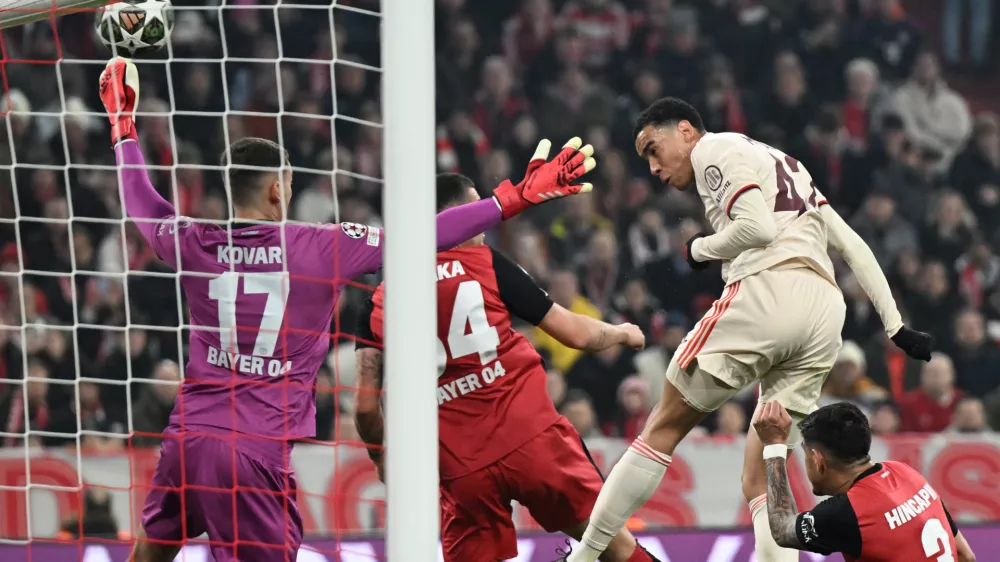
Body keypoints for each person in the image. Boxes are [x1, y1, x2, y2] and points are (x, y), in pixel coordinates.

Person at [98, 58, 598, 562]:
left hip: (187, 436)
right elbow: (427, 235)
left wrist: (124, 128)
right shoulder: (322, 246)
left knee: (149, 555)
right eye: (289, 185)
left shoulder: (195, 241)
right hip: (253, 450)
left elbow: (144, 204)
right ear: (278, 189)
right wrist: (512, 198)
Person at [564, 97, 933, 562]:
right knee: (763, 472)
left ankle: (581, 559)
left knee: (662, 425)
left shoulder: (713, 151)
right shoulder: (789, 166)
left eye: (654, 150)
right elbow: (852, 245)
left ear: (685, 130)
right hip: (823, 313)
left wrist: (697, 250)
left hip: (769, 292)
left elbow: (756, 229)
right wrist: (895, 324)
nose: (654, 168)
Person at [353, 174, 658, 562]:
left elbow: (364, 407)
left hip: (462, 470)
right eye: (477, 207)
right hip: (533, 440)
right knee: (613, 544)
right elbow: (576, 334)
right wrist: (621, 333)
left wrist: (382, 459)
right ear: (458, 217)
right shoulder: (486, 263)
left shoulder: (377, 302)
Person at [753, 401, 976, 562]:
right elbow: (966, 556)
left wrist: (774, 447)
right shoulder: (907, 472)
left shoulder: (846, 513)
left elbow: (782, 530)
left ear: (818, 459)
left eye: (806, 455)